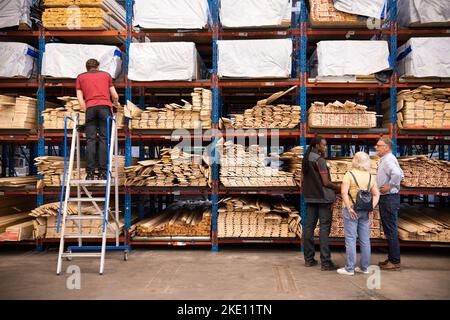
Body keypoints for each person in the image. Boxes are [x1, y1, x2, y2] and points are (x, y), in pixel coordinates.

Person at [337, 152, 380, 276]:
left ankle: (350, 268)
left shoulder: (349, 175)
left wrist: (350, 208)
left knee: (350, 239)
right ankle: (364, 267)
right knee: (365, 240)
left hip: (351, 210)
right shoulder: (371, 177)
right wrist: (371, 208)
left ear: (354, 161)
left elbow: (344, 193)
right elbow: (377, 194)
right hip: (365, 210)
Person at [76, 59, 119, 180]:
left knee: (90, 141)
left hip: (90, 109)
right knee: (104, 140)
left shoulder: (80, 77)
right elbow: (114, 95)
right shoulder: (106, 75)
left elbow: (80, 98)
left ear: (86, 67)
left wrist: (87, 110)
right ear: (98, 66)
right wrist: (115, 103)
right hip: (105, 108)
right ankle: (103, 172)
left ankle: (89, 174)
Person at [302, 136, 340, 271]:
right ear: (317, 146)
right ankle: (326, 262)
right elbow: (326, 183)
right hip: (323, 198)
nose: (325, 147)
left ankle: (309, 259)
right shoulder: (319, 160)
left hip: (310, 197)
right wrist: (339, 188)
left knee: (308, 228)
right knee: (324, 229)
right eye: (323, 145)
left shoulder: (306, 159)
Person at [375, 138, 404, 271]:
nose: (376, 147)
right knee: (389, 229)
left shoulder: (388, 160)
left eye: (379, 146)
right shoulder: (387, 159)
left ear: (386, 148)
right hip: (388, 198)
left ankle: (395, 261)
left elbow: (398, 174)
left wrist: (390, 185)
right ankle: (392, 258)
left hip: (389, 197)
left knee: (391, 230)